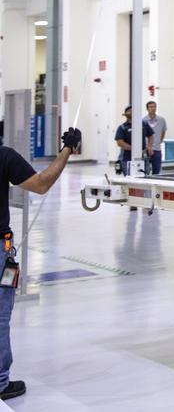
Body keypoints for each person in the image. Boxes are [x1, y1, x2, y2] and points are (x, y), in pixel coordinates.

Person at [0, 126, 81, 400]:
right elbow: (41, 183)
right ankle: (0, 382)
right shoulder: (4, 156)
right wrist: (68, 148)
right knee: (0, 314)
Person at [113, 106, 154, 176]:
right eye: (129, 111)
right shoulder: (122, 127)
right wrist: (135, 149)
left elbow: (151, 135)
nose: (131, 112)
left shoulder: (144, 124)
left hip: (143, 156)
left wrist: (149, 146)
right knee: (129, 177)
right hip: (127, 157)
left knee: (144, 176)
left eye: (133, 111)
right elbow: (120, 143)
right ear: (125, 114)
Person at [143, 101, 167, 175]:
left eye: (154, 106)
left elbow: (163, 132)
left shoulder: (162, 120)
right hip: (146, 149)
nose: (153, 108)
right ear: (147, 109)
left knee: (156, 171)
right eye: (151, 107)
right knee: (145, 170)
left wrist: (159, 141)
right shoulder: (143, 120)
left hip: (157, 149)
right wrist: (147, 146)